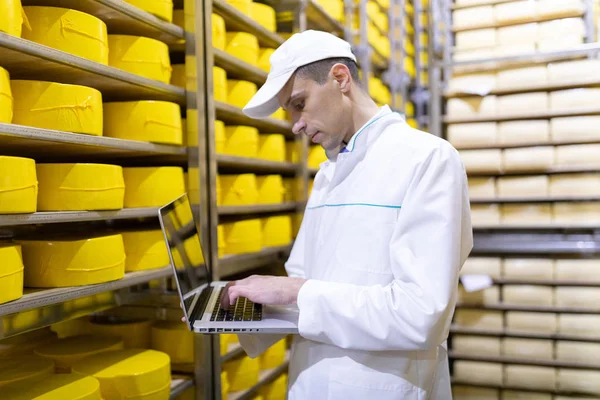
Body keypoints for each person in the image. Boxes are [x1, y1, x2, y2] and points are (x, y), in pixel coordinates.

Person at [221, 30, 473, 399]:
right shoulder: (328, 173)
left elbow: (422, 315)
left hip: (387, 387)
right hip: (312, 382)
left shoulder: (428, 160)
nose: (295, 124)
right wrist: (243, 308)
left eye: (299, 103)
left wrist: (296, 291)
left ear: (340, 79)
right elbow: (302, 284)